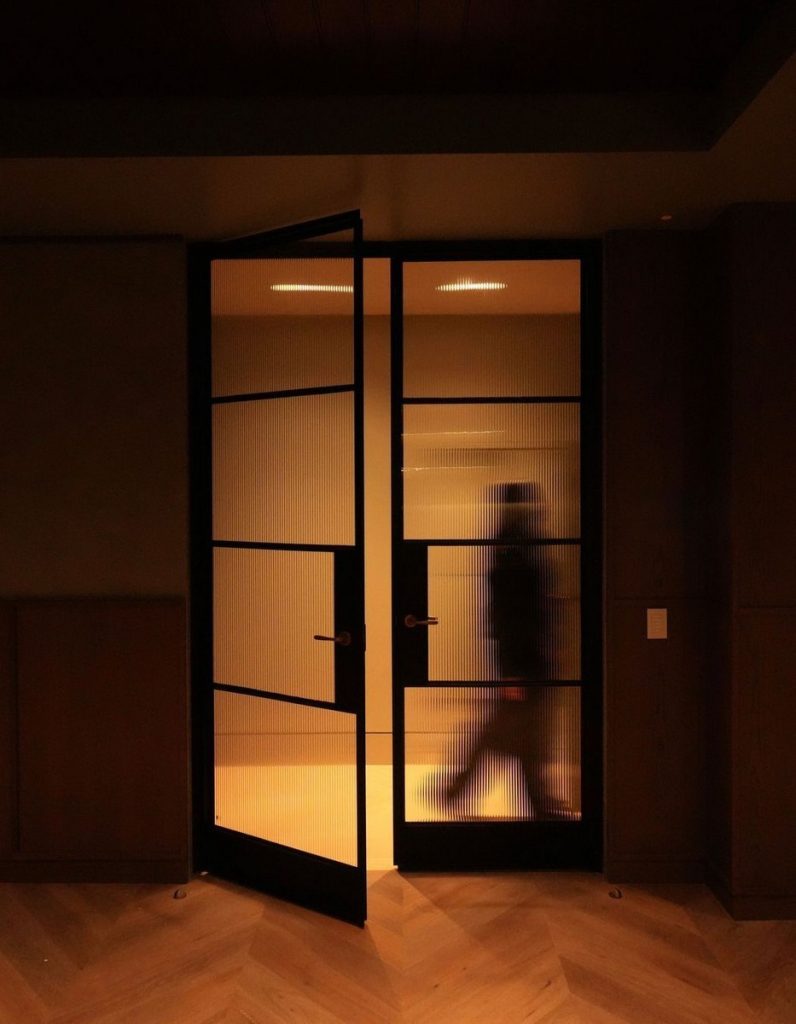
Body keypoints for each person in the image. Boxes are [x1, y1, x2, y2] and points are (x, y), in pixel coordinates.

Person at [432, 481, 574, 820]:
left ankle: (464, 790)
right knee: (514, 729)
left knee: (520, 730)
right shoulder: (516, 550)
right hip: (526, 657)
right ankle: (466, 791)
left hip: (527, 655)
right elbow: (510, 615)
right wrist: (512, 669)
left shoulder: (514, 546)